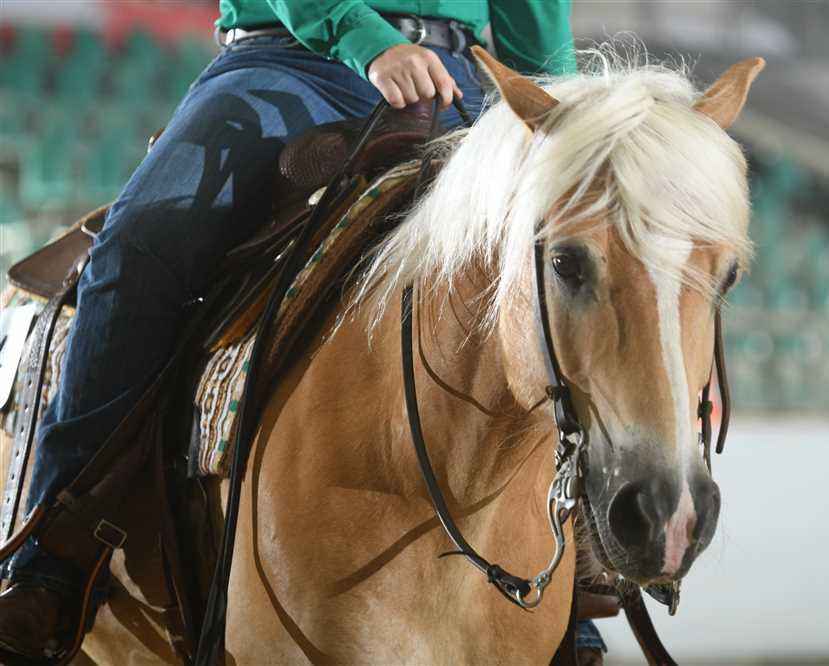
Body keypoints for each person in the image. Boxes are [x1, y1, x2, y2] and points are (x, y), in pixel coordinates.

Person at [0, 1, 578, 659]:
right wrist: (367, 40)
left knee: (578, 259)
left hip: (464, 85)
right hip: (292, 62)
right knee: (141, 247)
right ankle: (57, 551)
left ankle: (576, 553)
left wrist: (559, 113)